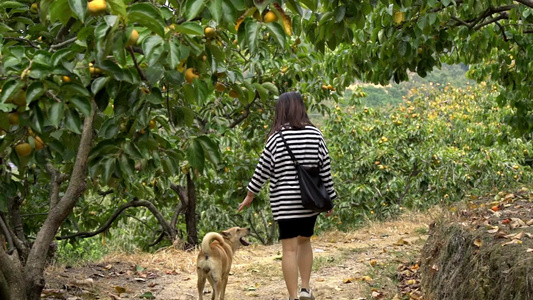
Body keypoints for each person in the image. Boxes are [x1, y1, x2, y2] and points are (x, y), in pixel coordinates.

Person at [238, 92, 337, 300]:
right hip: (309, 201)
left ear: (281, 110)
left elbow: (262, 169)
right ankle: (305, 289)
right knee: (305, 242)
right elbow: (324, 168)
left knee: (289, 249)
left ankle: (292, 297)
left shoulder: (276, 138)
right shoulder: (315, 134)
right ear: (301, 108)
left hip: (284, 203)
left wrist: (250, 194)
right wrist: (330, 198)